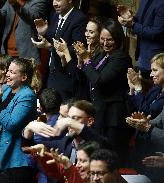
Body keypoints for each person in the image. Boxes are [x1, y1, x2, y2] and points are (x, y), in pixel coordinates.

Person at [74, 18, 133, 163]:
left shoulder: (120, 58)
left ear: (118, 39)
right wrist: (81, 62)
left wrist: (87, 60)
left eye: (110, 40)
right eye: (102, 39)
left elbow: (99, 81)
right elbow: (88, 76)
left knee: (109, 158)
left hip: (112, 117)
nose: (105, 43)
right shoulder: (102, 54)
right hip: (99, 112)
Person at [0, 57, 38, 183]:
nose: (7, 74)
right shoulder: (5, 89)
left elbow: (11, 124)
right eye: (8, 71)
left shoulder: (27, 96)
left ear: (24, 77)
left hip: (15, 161)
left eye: (12, 72)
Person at [32, 0, 88, 100]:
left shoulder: (80, 19)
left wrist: (49, 47)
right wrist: (44, 33)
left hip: (67, 76)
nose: (54, 3)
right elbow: (52, 40)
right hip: (52, 72)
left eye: (58, 0)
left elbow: (78, 49)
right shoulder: (55, 15)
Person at [117, 0, 164, 77]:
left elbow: (157, 32)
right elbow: (141, 23)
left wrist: (133, 25)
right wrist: (129, 17)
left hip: (155, 59)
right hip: (141, 55)